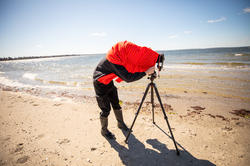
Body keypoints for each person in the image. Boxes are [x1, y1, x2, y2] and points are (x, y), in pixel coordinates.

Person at [93, 41, 160, 139]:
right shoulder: (113, 59)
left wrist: (149, 60)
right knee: (105, 109)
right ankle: (104, 131)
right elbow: (128, 78)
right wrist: (146, 72)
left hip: (108, 82)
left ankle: (120, 124)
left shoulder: (118, 56)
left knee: (116, 104)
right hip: (99, 83)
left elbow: (133, 63)